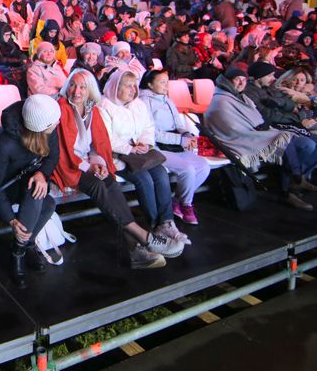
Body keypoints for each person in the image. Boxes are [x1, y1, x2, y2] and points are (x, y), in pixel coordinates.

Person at [53, 70, 184, 268]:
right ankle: (143, 236)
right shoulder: (62, 108)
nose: (76, 91)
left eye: (82, 87)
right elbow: (64, 151)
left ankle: (135, 249)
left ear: (90, 91)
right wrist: (90, 166)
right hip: (68, 164)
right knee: (99, 185)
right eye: (73, 85)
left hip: (87, 162)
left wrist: (99, 162)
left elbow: (97, 144)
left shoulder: (91, 108)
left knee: (110, 182)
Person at [204, 68, 317, 210]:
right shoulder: (221, 99)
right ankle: (291, 184)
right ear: (227, 81)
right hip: (237, 137)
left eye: (243, 80)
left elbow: (256, 117)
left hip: (255, 130)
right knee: (284, 139)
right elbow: (231, 126)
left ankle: (293, 183)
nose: (241, 83)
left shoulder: (240, 96)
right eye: (237, 79)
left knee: (291, 140)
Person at [99, 70, 189, 243]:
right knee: (144, 179)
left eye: (134, 85)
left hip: (141, 154)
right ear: (116, 87)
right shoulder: (104, 106)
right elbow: (105, 138)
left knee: (161, 173)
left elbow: (148, 127)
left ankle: (167, 222)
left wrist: (145, 143)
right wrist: (129, 149)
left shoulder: (138, 104)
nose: (133, 90)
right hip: (118, 156)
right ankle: (155, 225)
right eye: (128, 86)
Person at [0, 95, 60, 288]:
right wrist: (10, 219)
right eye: (54, 121)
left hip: (27, 179)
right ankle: (19, 252)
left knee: (48, 203)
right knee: (38, 196)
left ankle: (23, 245)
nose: (58, 122)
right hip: (3, 186)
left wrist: (42, 174)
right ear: (39, 127)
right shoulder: (5, 143)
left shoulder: (49, 126)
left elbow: (53, 157)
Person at [139, 70, 211, 224]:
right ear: (150, 84)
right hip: (158, 147)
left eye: (167, 81)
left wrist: (186, 134)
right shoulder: (144, 101)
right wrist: (180, 140)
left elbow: (178, 124)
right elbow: (152, 133)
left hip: (175, 144)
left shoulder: (167, 100)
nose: (166, 86)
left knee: (204, 166)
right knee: (188, 170)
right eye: (162, 82)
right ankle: (186, 205)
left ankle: (177, 200)